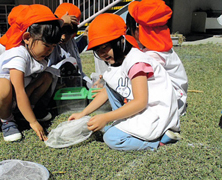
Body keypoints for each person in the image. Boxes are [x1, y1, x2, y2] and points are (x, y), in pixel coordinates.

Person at [68, 13, 180, 151]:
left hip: (155, 112)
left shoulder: (136, 62)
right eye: (97, 50)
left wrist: (106, 117)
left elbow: (141, 102)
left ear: (121, 41)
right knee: (109, 87)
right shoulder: (117, 62)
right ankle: (125, 125)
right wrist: (82, 113)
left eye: (105, 47)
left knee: (111, 138)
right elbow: (106, 92)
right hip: (140, 108)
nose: (102, 53)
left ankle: (157, 143)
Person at [0, 4, 63, 142]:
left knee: (47, 76)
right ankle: (7, 120)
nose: (50, 50)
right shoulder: (18, 55)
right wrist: (33, 122)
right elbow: (19, 91)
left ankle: (25, 112)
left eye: (53, 46)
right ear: (27, 38)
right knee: (2, 86)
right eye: (46, 45)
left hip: (15, 97)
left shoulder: (38, 56)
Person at [127, 0, 188, 117]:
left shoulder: (153, 56)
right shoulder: (160, 47)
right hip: (172, 98)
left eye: (129, 28)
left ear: (138, 30)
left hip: (168, 106)